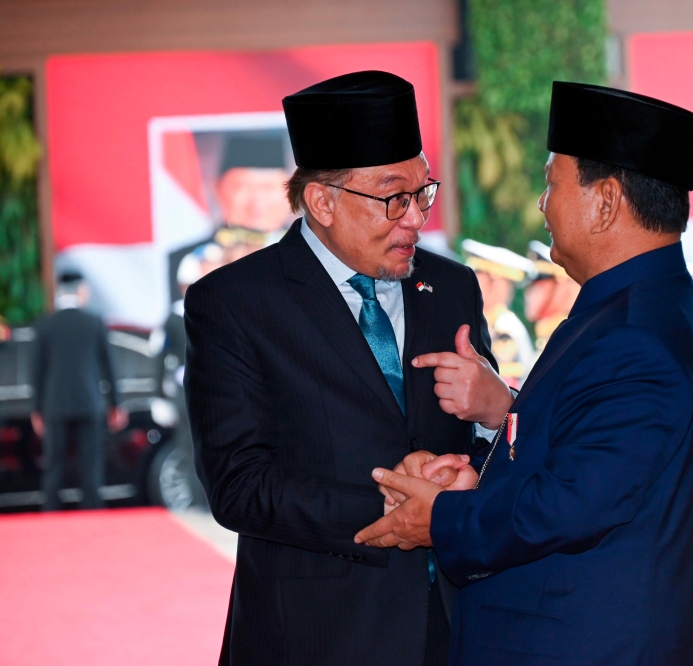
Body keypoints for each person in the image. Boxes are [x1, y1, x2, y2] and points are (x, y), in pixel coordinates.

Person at [355, 81, 693, 664]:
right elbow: (591, 455)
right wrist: (493, 442)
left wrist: (442, 518)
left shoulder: (633, 330)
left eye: (552, 184)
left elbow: (570, 503)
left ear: (605, 202)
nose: (541, 204)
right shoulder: (633, 303)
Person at [184, 71, 506, 666]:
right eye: (394, 198)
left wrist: (494, 416)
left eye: (423, 193)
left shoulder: (452, 286)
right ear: (323, 202)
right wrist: (393, 507)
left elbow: (495, 455)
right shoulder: (236, 303)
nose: (416, 219)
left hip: (454, 627)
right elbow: (238, 486)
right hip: (316, 635)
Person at [31, 271, 127, 510]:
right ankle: (92, 517)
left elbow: (37, 371)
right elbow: (109, 368)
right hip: (89, 402)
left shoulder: (45, 324)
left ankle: (51, 515)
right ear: (80, 291)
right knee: (91, 467)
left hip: (54, 405)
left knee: (54, 467)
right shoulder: (94, 322)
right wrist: (116, 404)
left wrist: (36, 410)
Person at [168, 133, 293, 303]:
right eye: (242, 186)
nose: (257, 200)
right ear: (216, 188)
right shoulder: (184, 260)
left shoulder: (310, 255)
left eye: (268, 187)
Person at [460, 238, 535, 387]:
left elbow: (505, 388)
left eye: (477, 279)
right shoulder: (488, 322)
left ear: (494, 285)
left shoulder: (504, 331)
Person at [524, 239, 580, 354]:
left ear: (561, 290)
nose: (527, 294)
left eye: (536, 290)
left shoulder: (569, 337)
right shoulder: (550, 335)